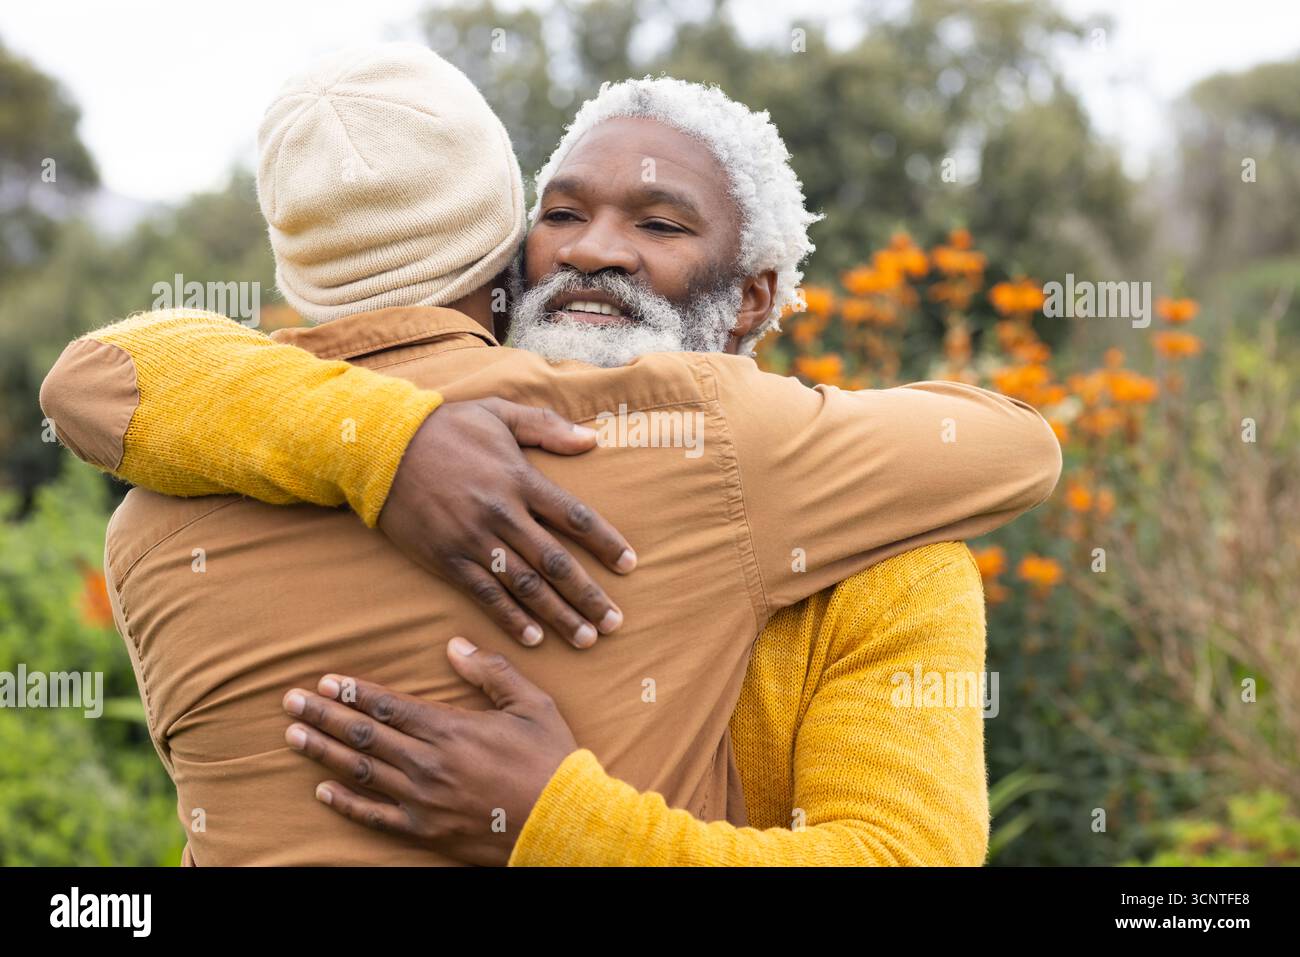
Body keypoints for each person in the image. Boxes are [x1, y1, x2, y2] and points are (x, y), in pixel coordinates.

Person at [41, 46, 1061, 865]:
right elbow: (103, 379)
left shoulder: (875, 543)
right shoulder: (269, 445)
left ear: (754, 295)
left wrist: (555, 824)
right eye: (562, 213)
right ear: (504, 240)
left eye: (657, 222)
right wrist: (390, 446)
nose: (590, 250)